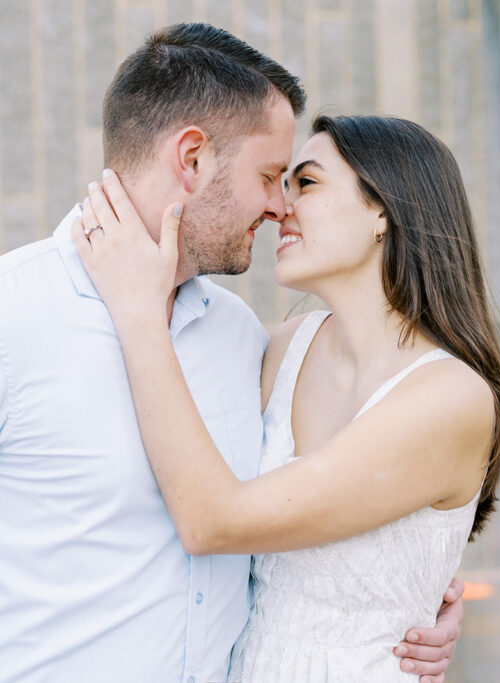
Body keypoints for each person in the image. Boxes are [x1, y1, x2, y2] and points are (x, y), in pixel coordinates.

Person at [0, 24, 463, 683]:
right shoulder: (13, 316)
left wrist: (411, 579)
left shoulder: (243, 338)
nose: (280, 207)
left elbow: (311, 493)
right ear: (191, 159)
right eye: (273, 176)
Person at [73, 111, 500, 681]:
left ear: (383, 209)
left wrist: (137, 309)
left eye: (304, 183)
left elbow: (213, 521)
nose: (281, 207)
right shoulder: (285, 348)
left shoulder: (450, 398)